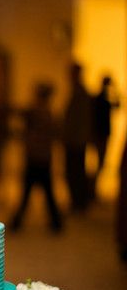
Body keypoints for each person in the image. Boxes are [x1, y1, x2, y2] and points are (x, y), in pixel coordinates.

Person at [10, 82, 62, 232]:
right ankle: (55, 223)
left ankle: (17, 222)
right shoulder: (47, 112)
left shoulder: (37, 112)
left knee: (29, 192)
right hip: (42, 157)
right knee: (45, 193)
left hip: (36, 157)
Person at [62, 63, 92, 212]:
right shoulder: (78, 91)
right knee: (74, 171)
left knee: (75, 172)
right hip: (74, 139)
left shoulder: (81, 93)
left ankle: (79, 203)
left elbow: (79, 120)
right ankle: (78, 202)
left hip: (76, 140)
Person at [92, 75, 119, 183]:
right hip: (101, 133)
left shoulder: (99, 98)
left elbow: (117, 106)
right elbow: (118, 105)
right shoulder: (102, 99)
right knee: (100, 161)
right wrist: (115, 90)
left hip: (100, 133)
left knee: (100, 161)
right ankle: (93, 186)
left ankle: (93, 186)